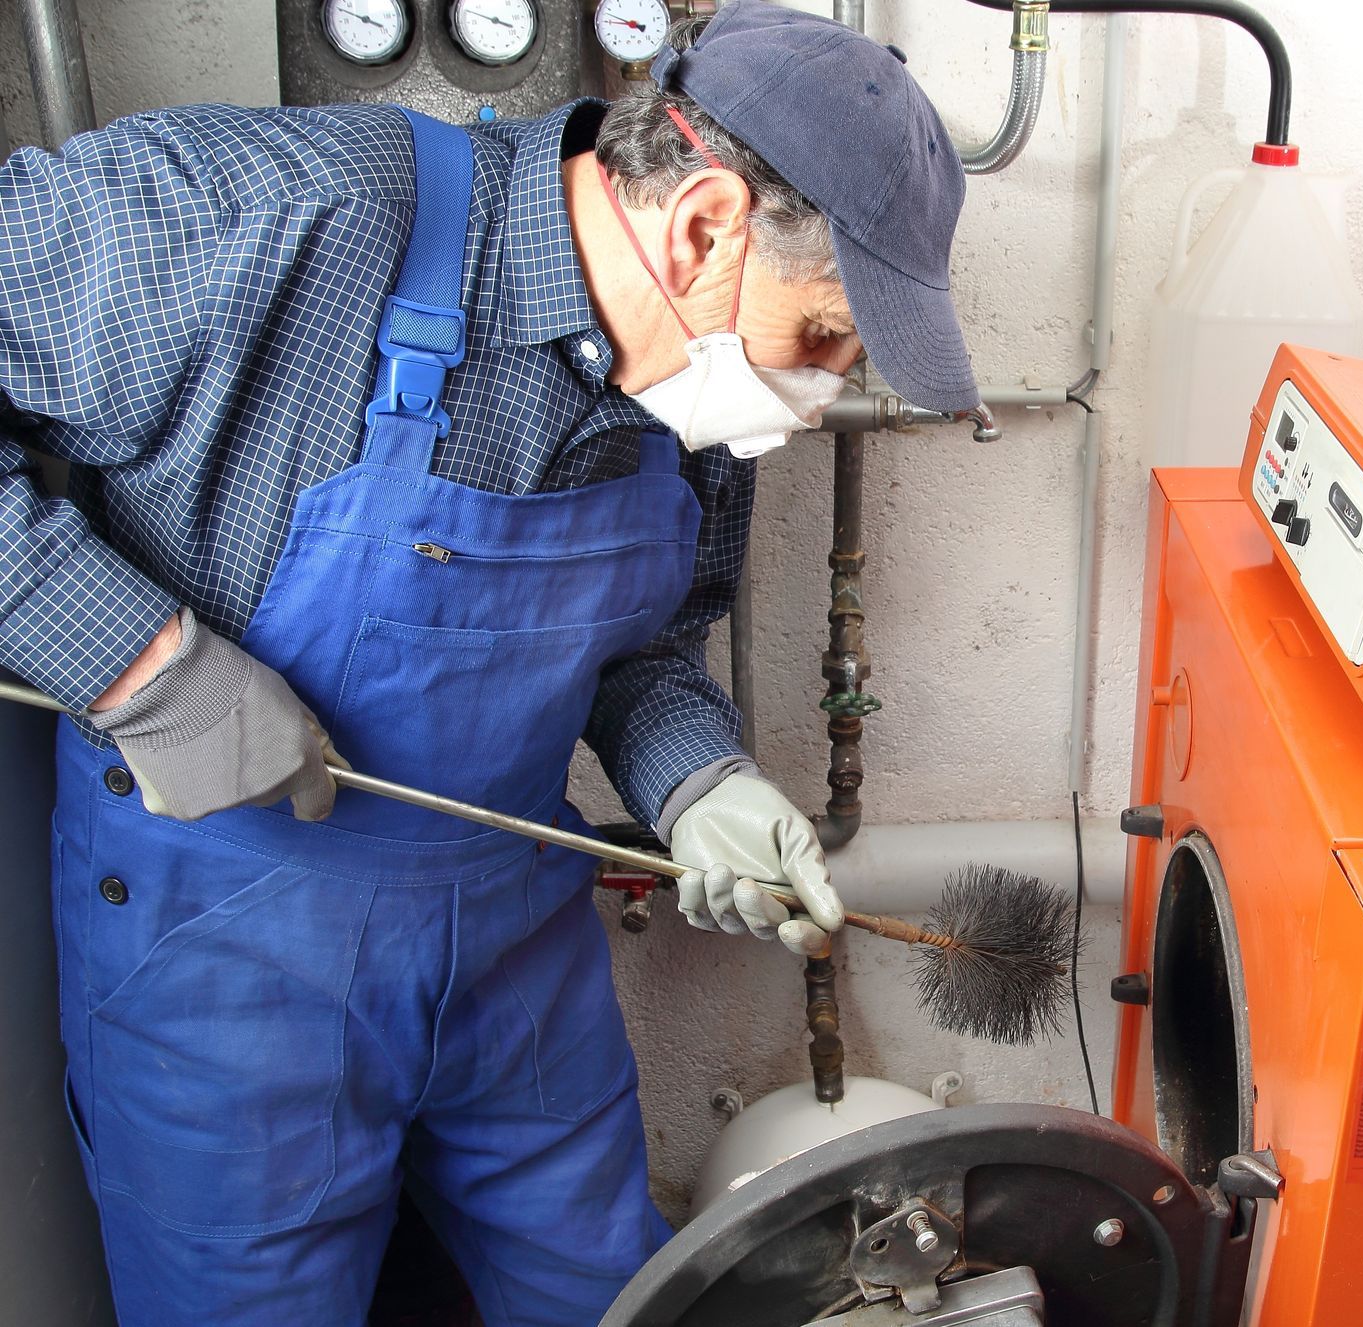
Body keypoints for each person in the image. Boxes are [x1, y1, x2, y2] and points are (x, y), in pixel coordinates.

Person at [0, 4, 979, 1323]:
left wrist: (699, 779)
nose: (809, 403)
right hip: (228, 960)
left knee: (609, 1297)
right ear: (700, 226)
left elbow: (635, 647)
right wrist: (135, 663)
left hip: (514, 953)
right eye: (818, 340)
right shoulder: (262, 217)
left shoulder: (689, 405)